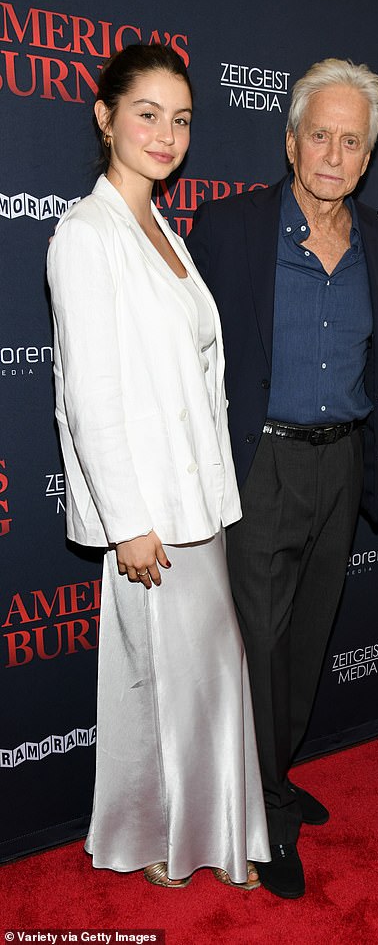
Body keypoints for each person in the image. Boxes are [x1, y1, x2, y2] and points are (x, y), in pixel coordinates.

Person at [47, 44, 269, 891]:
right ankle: (181, 839)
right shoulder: (86, 233)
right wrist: (128, 522)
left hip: (197, 503)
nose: (166, 134)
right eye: (147, 113)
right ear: (105, 117)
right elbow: (88, 396)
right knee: (170, 681)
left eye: (181, 119)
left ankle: (185, 835)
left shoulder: (165, 229)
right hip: (150, 515)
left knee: (190, 679)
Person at [187, 58, 378, 899]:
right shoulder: (230, 229)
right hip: (261, 464)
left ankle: (274, 773)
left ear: (368, 155)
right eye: (321, 136)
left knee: (309, 639)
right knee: (261, 647)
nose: (334, 155)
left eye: (352, 141)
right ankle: (263, 807)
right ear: (290, 140)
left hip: (343, 461)